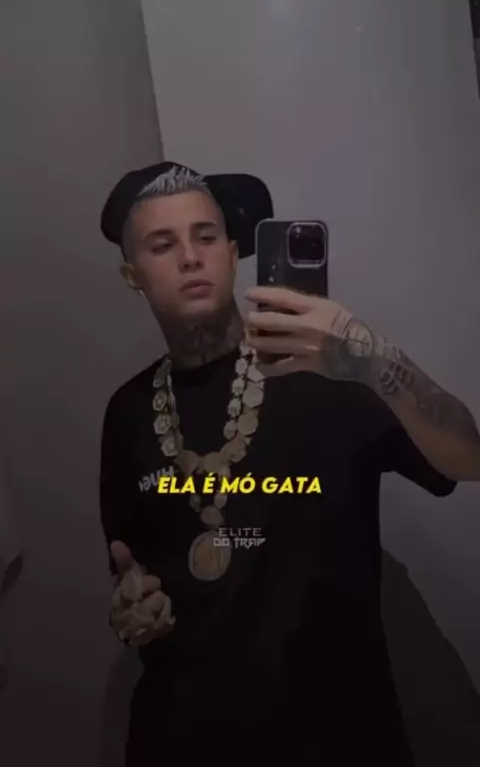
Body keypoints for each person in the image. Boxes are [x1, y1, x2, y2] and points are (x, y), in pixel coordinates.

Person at [99, 161, 480, 766]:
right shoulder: (126, 413)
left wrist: (370, 356)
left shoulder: (326, 370)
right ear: (132, 276)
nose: (191, 258)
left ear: (232, 253)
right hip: (181, 740)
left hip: (337, 739)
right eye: (162, 245)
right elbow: (133, 571)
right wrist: (134, 604)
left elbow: (468, 458)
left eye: (206, 236)